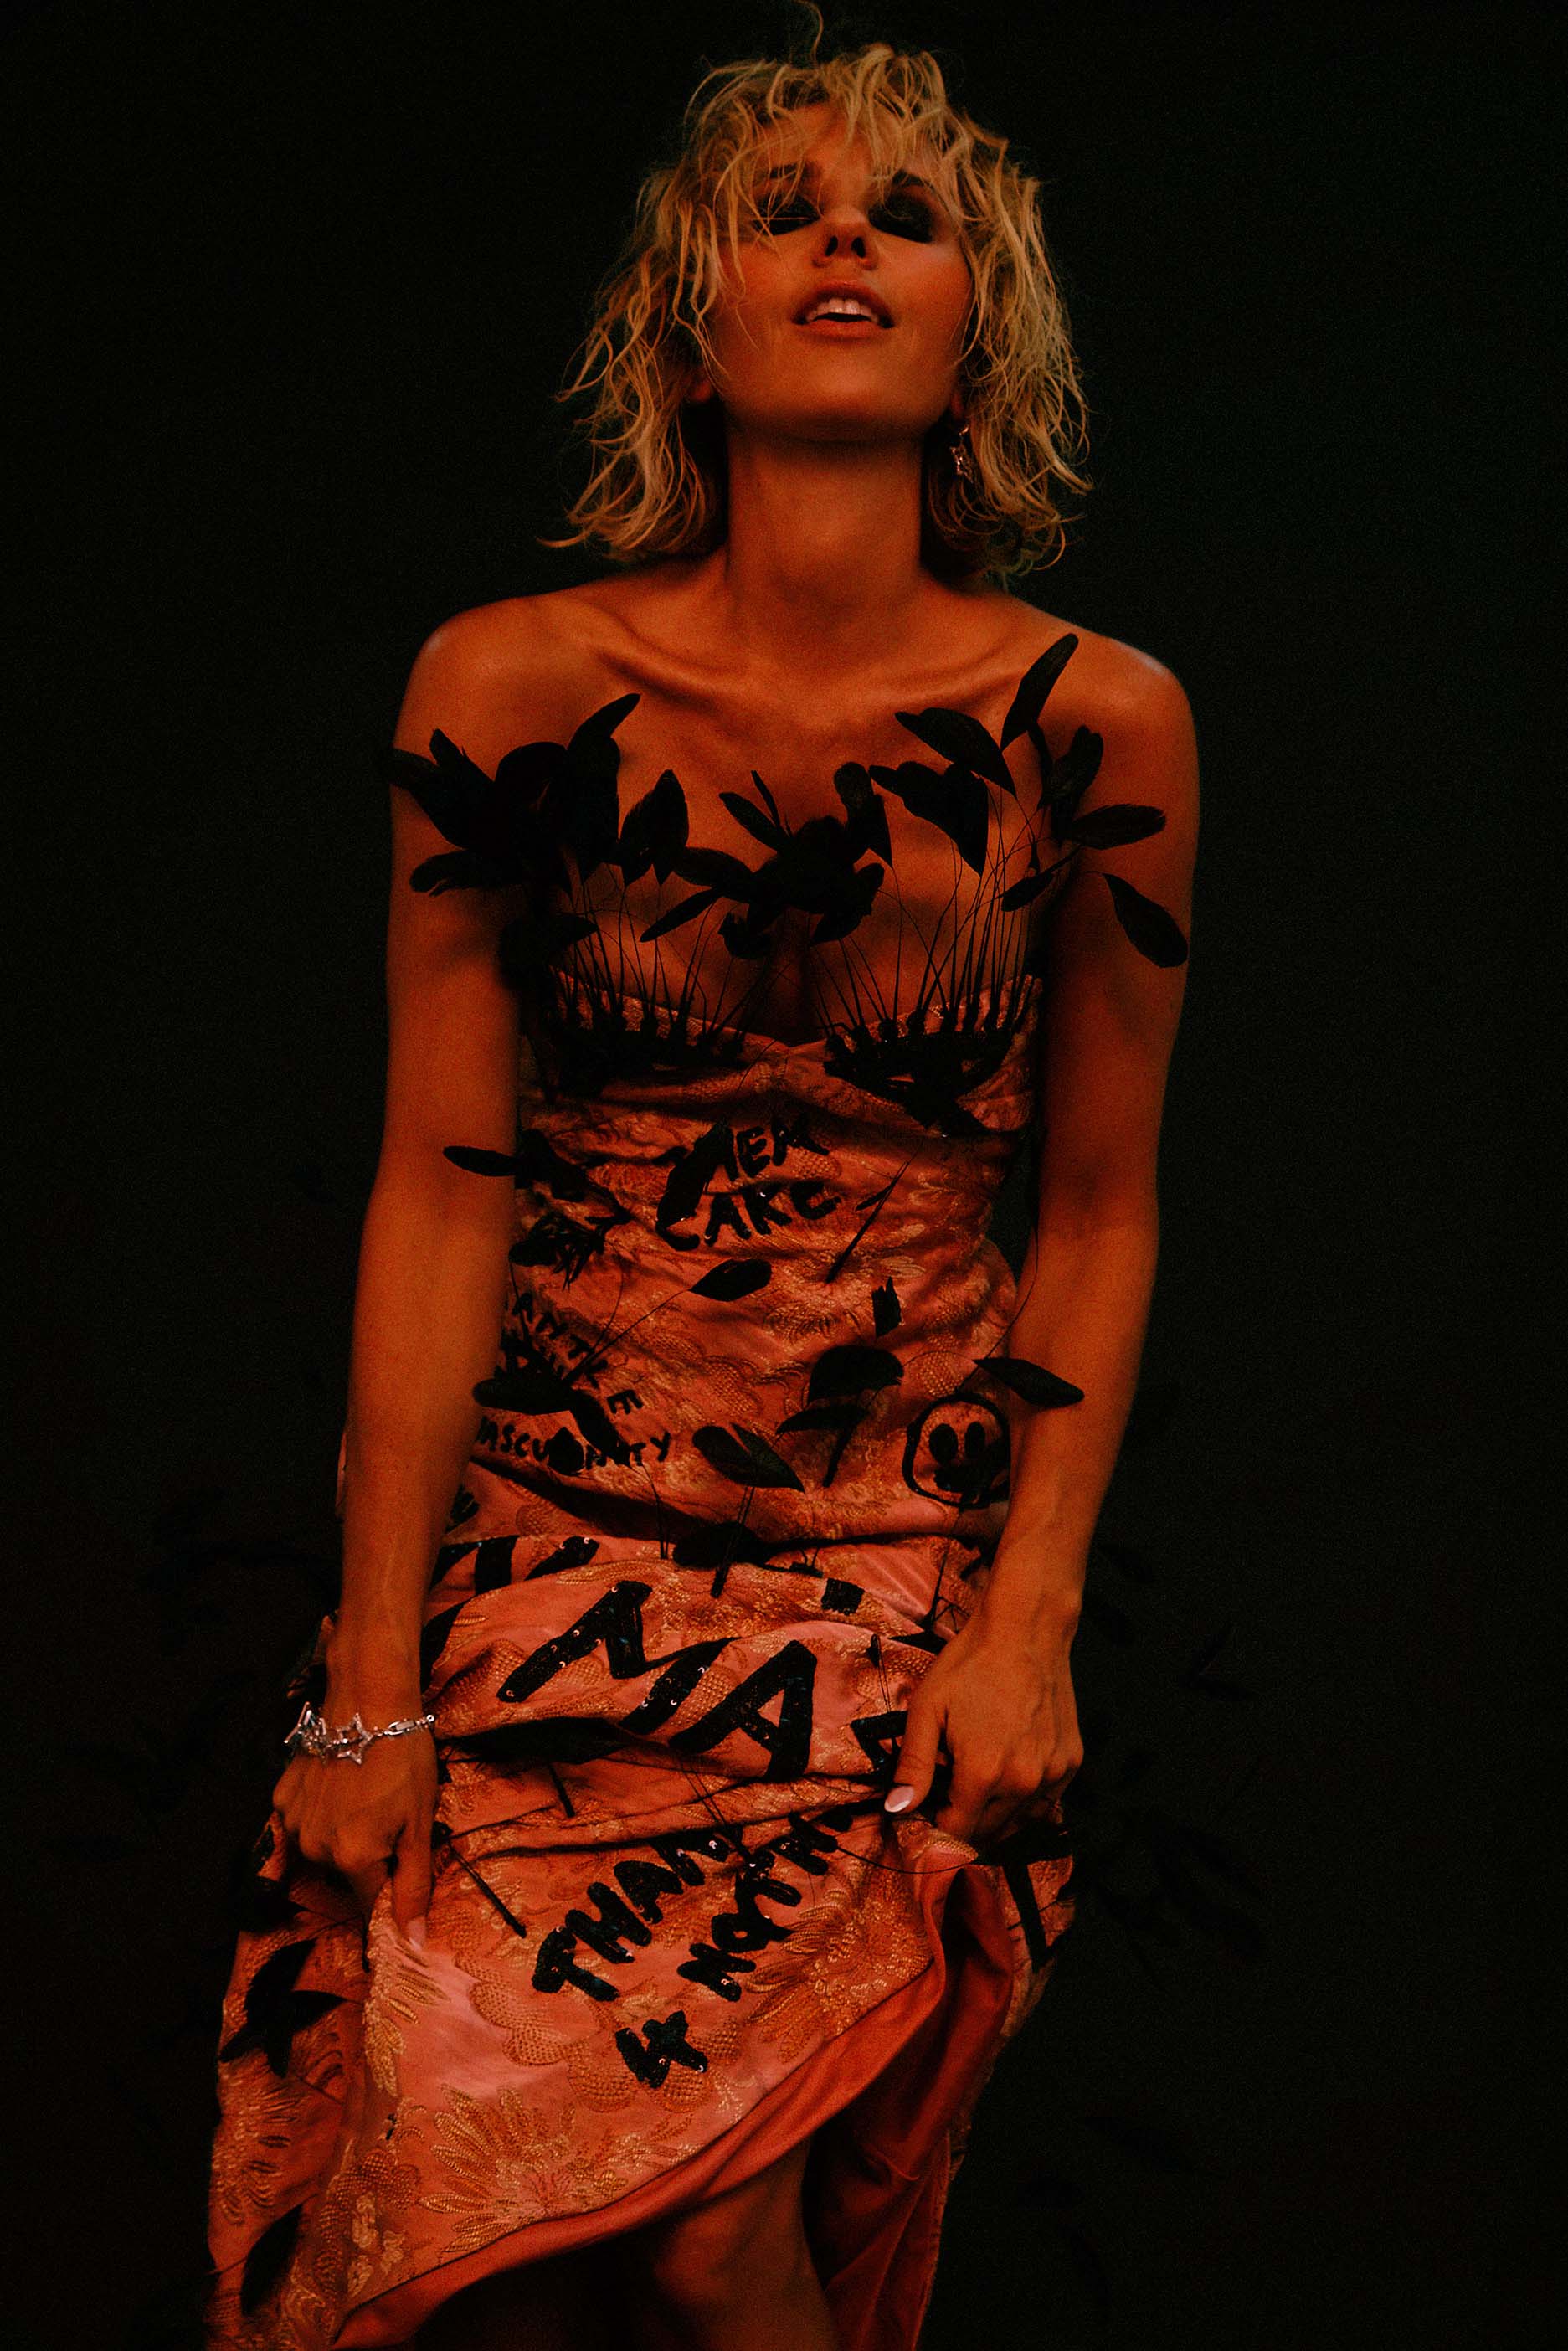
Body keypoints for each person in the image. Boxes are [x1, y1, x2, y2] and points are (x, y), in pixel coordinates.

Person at [203, 25, 1197, 2351]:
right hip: (543, 1550)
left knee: (708, 2224)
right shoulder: (513, 687)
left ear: (975, 330)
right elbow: (437, 1187)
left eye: (904, 216)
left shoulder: (1096, 722)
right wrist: (370, 1683)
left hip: (883, 1567)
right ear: (689, 318)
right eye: (782, 210)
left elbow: (1099, 1206)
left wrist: (1028, 1621)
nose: (845, 236)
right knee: (487, 2242)